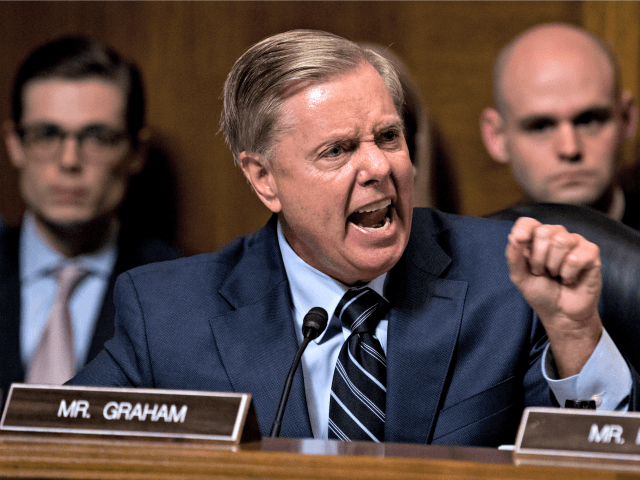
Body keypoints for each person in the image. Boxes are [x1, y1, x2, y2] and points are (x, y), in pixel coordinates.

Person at [70, 30, 638, 447]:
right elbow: (52, 443)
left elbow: (592, 458)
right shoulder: (169, 312)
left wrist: (574, 335)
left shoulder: (507, 278)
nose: (378, 167)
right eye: (337, 150)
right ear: (263, 178)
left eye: (388, 137)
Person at [0, 37, 180, 406]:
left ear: (135, 152)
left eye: (97, 137)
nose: (69, 160)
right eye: (46, 134)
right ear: (15, 144)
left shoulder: (181, 294)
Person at [481, 23, 640, 229]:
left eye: (589, 120)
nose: (570, 148)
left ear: (626, 119)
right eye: (540, 127)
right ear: (497, 137)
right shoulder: (470, 255)